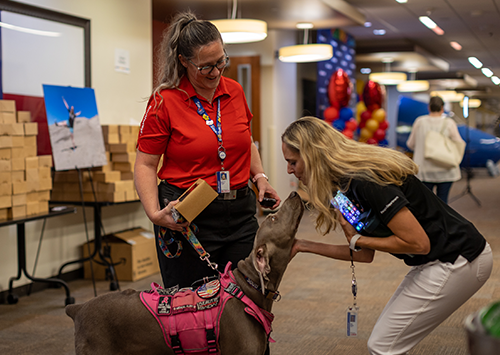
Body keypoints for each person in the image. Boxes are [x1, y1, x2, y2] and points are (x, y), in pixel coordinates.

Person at [281, 116, 492, 355]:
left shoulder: (365, 180)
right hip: (432, 260)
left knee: (382, 346)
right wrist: (302, 246)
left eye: (293, 162)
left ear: (311, 155)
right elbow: (363, 255)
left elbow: (418, 243)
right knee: (384, 341)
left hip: (459, 258)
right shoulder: (339, 191)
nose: (289, 170)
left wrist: (357, 239)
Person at [134, 11, 280, 291]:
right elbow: (146, 164)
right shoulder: (164, 102)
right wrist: (154, 212)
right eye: (206, 67)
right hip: (189, 215)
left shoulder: (234, 91)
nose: (216, 72)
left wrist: (260, 177)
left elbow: (246, 141)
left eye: (221, 61)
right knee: (191, 302)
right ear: (184, 62)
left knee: (247, 296)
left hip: (239, 212)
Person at [406, 96, 465, 203]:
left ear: (429, 107)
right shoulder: (449, 122)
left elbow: (410, 144)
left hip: (424, 170)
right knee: (442, 202)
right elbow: (459, 142)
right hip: (446, 170)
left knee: (426, 203)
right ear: (442, 108)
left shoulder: (420, 121)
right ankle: (442, 220)